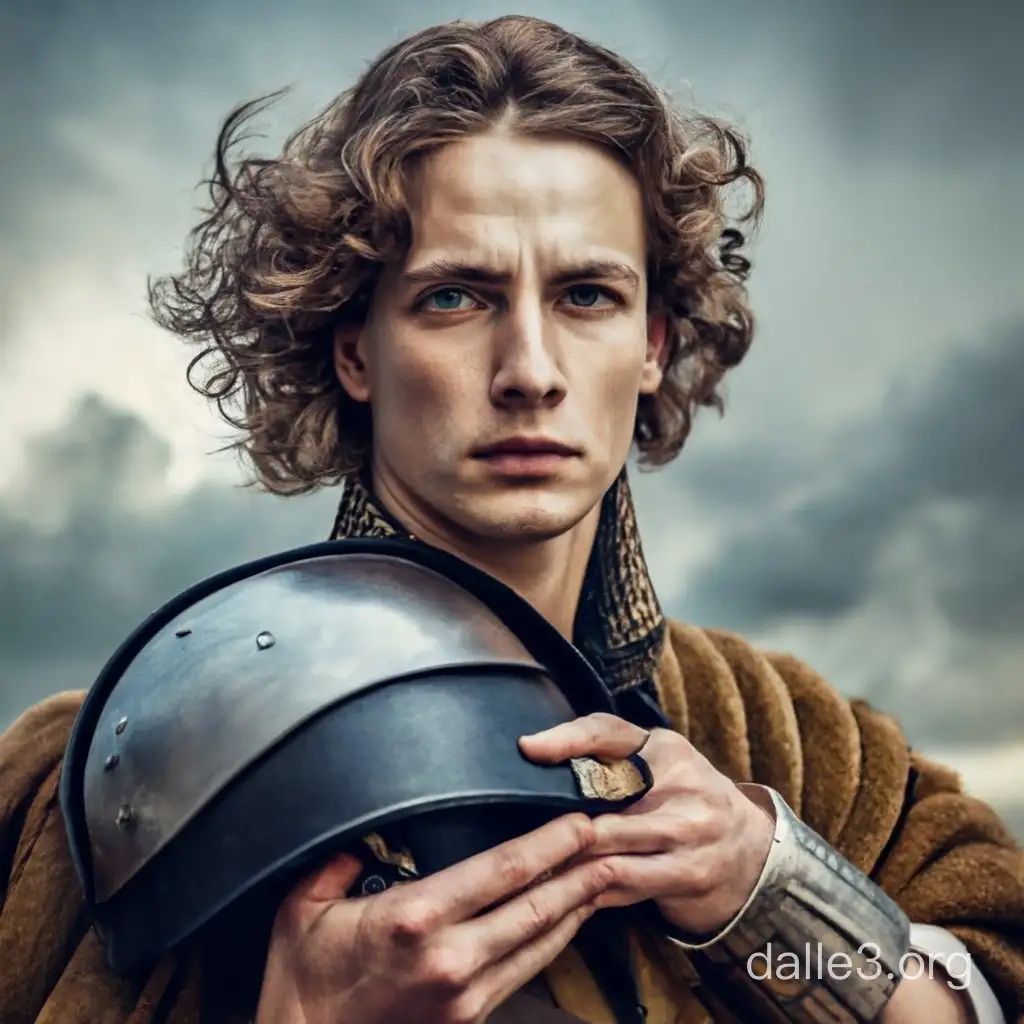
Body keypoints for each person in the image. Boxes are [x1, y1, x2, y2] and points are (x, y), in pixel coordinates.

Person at [0, 14, 1021, 1024]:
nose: (529, 371)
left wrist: (774, 891)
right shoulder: (106, 773)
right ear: (355, 349)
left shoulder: (795, 740)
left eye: (586, 294)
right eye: (454, 297)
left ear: (654, 343)